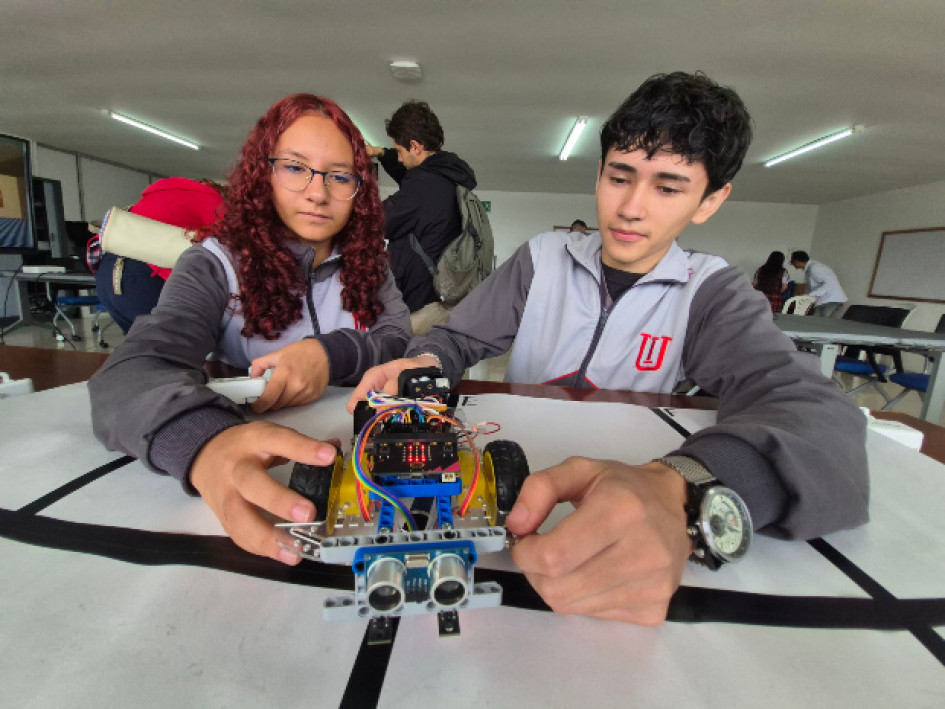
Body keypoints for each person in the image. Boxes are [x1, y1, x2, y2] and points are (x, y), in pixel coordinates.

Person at [349, 72, 868, 625]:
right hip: (512, 491)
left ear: (710, 200)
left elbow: (812, 416)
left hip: (632, 497)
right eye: (620, 177)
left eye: (668, 188)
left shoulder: (710, 290)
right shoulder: (542, 258)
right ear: (599, 171)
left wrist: (685, 486)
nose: (631, 208)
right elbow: (459, 337)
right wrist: (427, 361)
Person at [89, 94, 411, 565]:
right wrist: (203, 442)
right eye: (296, 168)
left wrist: (329, 353)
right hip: (260, 459)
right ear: (264, 172)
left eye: (340, 176)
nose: (318, 193)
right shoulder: (214, 264)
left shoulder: (370, 264)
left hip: (359, 465)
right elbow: (131, 373)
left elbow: (398, 339)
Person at [365, 100, 477, 333]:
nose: (398, 159)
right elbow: (411, 182)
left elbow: (375, 221)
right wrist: (382, 153)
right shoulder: (447, 175)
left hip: (419, 308)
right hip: (442, 300)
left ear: (415, 146)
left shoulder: (423, 185)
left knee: (395, 366)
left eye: (399, 151)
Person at [94, 177, 224, 332]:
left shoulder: (162, 193)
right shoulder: (213, 200)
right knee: (176, 345)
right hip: (144, 275)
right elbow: (235, 244)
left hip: (106, 275)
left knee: (141, 346)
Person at [790, 250, 847, 317]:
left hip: (831, 298)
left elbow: (830, 283)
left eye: (792, 262)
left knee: (820, 322)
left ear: (797, 261)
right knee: (817, 321)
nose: (792, 264)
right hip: (823, 299)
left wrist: (810, 295)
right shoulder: (809, 269)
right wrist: (807, 297)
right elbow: (810, 287)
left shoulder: (815, 268)